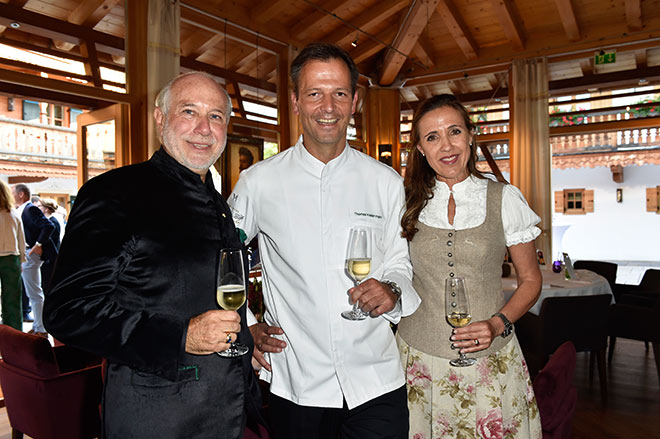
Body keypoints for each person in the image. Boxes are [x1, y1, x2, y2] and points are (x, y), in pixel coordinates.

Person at [43, 71, 261, 439]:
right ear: (160, 119)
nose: (204, 128)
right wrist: (180, 336)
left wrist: (248, 342)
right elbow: (67, 312)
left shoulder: (217, 200)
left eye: (216, 116)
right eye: (189, 111)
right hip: (159, 418)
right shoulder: (114, 194)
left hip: (227, 410)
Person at [228, 43, 420, 439]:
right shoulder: (259, 182)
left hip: (377, 381)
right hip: (298, 383)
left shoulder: (384, 182)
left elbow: (401, 262)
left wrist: (392, 289)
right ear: (296, 101)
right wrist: (245, 326)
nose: (327, 106)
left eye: (339, 94)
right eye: (314, 93)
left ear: (355, 102)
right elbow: (221, 258)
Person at [396, 94, 543, 438]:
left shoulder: (505, 198)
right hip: (418, 360)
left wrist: (498, 323)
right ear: (419, 148)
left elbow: (531, 280)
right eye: (432, 137)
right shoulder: (404, 203)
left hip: (490, 361)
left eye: (454, 131)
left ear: (471, 135)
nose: (446, 145)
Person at [12, 183, 55, 337]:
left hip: (31, 254)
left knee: (35, 293)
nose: (11, 195)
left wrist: (38, 245)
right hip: (27, 253)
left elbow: (48, 226)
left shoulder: (30, 209)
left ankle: (42, 329)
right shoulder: (22, 210)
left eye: (13, 192)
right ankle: (38, 325)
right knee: (33, 293)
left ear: (21, 194)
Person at [0, 179, 26, 331]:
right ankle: (14, 335)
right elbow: (21, 240)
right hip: (11, 259)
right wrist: (22, 260)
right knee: (13, 301)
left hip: (10, 257)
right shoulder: (13, 214)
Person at [35, 197, 61, 294]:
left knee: (47, 284)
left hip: (50, 259)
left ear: (46, 209)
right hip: (48, 258)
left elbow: (50, 242)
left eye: (39, 206)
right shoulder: (49, 221)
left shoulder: (52, 222)